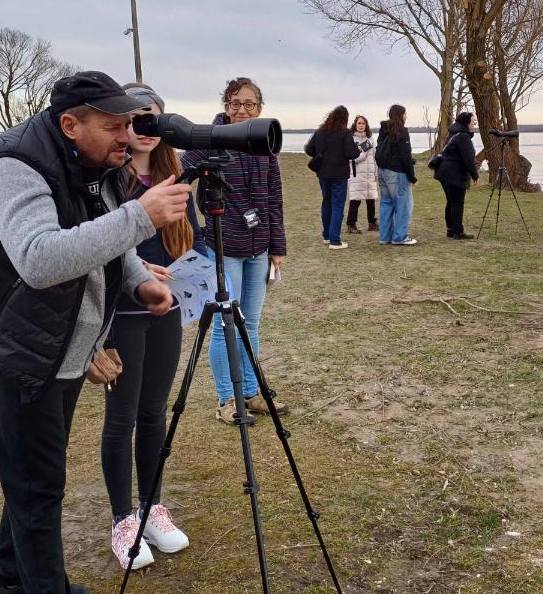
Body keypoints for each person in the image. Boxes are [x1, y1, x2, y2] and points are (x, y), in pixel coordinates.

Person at [0, 70, 192, 594]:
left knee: (30, 479)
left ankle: (13, 582)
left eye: (129, 124)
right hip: (23, 346)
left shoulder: (96, 162)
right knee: (38, 488)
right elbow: (39, 259)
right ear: (70, 124)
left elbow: (103, 239)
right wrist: (140, 217)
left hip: (65, 343)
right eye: (114, 126)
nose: (127, 136)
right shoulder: (13, 165)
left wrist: (137, 282)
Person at [99, 82, 203, 571]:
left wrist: (190, 270)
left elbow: (192, 237)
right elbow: (93, 244)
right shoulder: (106, 180)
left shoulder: (173, 175)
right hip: (120, 314)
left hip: (168, 311)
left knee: (155, 412)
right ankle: (123, 520)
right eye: (135, 116)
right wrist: (137, 270)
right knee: (121, 417)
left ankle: (151, 507)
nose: (145, 126)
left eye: (153, 116)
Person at [181, 77, 288, 426]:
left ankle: (252, 391)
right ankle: (227, 398)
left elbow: (274, 199)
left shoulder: (265, 144)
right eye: (235, 103)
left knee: (250, 323)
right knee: (225, 325)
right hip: (223, 248)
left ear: (259, 108)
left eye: (249, 103)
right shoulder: (210, 141)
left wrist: (277, 246)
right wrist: (193, 229)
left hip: (259, 248)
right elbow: (178, 174)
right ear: (226, 106)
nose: (242, 109)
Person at [304, 105, 360, 250]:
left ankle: (327, 235)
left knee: (327, 203)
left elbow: (309, 149)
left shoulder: (320, 132)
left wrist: (320, 154)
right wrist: (357, 149)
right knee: (337, 206)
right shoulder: (345, 133)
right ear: (345, 119)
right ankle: (335, 240)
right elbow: (351, 153)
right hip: (339, 174)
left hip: (323, 173)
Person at [374, 104, 418, 246]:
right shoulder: (402, 131)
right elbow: (405, 156)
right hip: (397, 173)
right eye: (405, 114)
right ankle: (400, 237)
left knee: (386, 204)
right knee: (403, 205)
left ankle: (385, 236)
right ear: (400, 115)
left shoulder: (383, 130)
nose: (406, 116)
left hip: (383, 171)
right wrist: (412, 177)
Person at [433, 111, 480, 239]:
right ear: (466, 122)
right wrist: (475, 175)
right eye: (473, 121)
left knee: (451, 202)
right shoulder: (463, 137)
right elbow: (468, 159)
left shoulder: (454, 133)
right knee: (457, 203)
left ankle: (451, 230)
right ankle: (458, 232)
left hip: (444, 173)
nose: (475, 123)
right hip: (454, 174)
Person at [346, 115, 378, 234]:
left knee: (371, 198)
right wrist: (362, 156)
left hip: (370, 173)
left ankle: (372, 223)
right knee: (356, 199)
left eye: (363, 123)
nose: (361, 125)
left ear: (366, 125)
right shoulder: (350, 139)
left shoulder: (371, 139)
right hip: (357, 174)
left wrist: (376, 171)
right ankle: (351, 224)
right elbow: (349, 158)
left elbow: (375, 157)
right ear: (355, 124)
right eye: (359, 123)